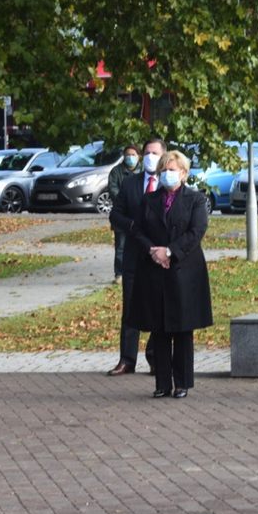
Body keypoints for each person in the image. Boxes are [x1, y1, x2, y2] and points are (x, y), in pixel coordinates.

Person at [130, 150, 212, 399]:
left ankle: (182, 383)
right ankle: (162, 383)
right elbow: (137, 230)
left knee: (182, 328)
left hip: (184, 269)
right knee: (159, 327)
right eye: (164, 170)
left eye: (172, 170)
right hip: (154, 268)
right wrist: (153, 251)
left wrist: (170, 251)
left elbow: (197, 230)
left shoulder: (196, 199)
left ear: (184, 173)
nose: (167, 174)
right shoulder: (149, 199)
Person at [106, 138, 163, 376]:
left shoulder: (168, 183)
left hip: (159, 255)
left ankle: (156, 357)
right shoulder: (130, 183)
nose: (150, 157)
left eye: (155, 153)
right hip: (133, 255)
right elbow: (115, 215)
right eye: (147, 152)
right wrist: (131, 226)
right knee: (130, 307)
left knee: (158, 308)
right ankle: (127, 359)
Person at [108, 144, 140, 282]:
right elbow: (113, 189)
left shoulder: (144, 171)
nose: (130, 158)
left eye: (133, 155)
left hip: (139, 214)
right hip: (121, 214)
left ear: (139, 156)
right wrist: (126, 201)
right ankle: (119, 273)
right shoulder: (116, 171)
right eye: (128, 155)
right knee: (121, 246)